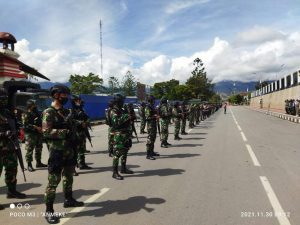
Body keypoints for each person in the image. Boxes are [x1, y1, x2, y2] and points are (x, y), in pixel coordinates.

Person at [43, 85, 83, 224]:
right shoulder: (49, 112)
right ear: (56, 95)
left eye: (66, 95)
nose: (66, 97)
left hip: (69, 149)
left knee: (69, 176)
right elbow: (46, 132)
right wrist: (64, 132)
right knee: (53, 181)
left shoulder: (66, 111)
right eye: (64, 95)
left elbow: (72, 125)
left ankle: (68, 199)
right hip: (57, 151)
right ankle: (49, 211)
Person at [0, 88, 27, 210]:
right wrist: (3, 134)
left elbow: (14, 124)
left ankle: (12, 191)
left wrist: (19, 129)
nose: (4, 100)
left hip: (10, 146)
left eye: (5, 98)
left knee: (12, 169)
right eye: (2, 98)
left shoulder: (7, 112)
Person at [110, 94, 133, 180]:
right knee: (117, 153)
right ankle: (115, 172)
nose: (123, 102)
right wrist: (127, 116)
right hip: (118, 135)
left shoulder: (122, 109)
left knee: (125, 151)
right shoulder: (113, 111)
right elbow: (117, 122)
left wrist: (130, 115)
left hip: (125, 133)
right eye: (122, 100)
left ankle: (123, 168)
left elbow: (127, 120)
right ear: (118, 101)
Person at [22, 99, 47, 172]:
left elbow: (41, 120)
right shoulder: (25, 113)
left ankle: (38, 162)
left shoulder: (37, 112)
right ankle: (29, 164)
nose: (35, 105)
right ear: (30, 105)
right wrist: (35, 127)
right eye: (34, 104)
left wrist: (42, 128)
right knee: (30, 149)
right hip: (30, 134)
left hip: (38, 133)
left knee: (39, 148)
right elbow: (25, 125)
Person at [71, 95, 92, 170]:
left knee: (82, 149)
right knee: (74, 151)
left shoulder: (81, 109)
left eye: (79, 100)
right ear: (74, 101)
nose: (79, 101)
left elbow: (87, 117)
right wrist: (80, 123)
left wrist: (87, 122)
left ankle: (82, 164)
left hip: (82, 132)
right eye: (77, 100)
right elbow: (70, 120)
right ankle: (72, 168)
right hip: (75, 132)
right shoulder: (71, 110)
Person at [145, 95, 160, 160]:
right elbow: (147, 117)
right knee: (150, 139)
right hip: (150, 126)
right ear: (150, 100)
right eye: (153, 100)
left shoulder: (152, 106)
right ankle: (148, 154)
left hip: (153, 125)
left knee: (153, 139)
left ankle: (152, 152)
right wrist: (155, 117)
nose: (154, 101)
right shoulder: (148, 107)